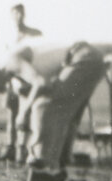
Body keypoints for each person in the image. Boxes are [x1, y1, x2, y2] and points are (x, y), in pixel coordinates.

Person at [25, 41, 106, 173]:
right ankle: (60, 161)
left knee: (42, 105)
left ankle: (41, 159)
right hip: (90, 57)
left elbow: (40, 84)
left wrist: (24, 111)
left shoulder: (17, 68)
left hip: (82, 56)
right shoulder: (34, 60)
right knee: (67, 113)